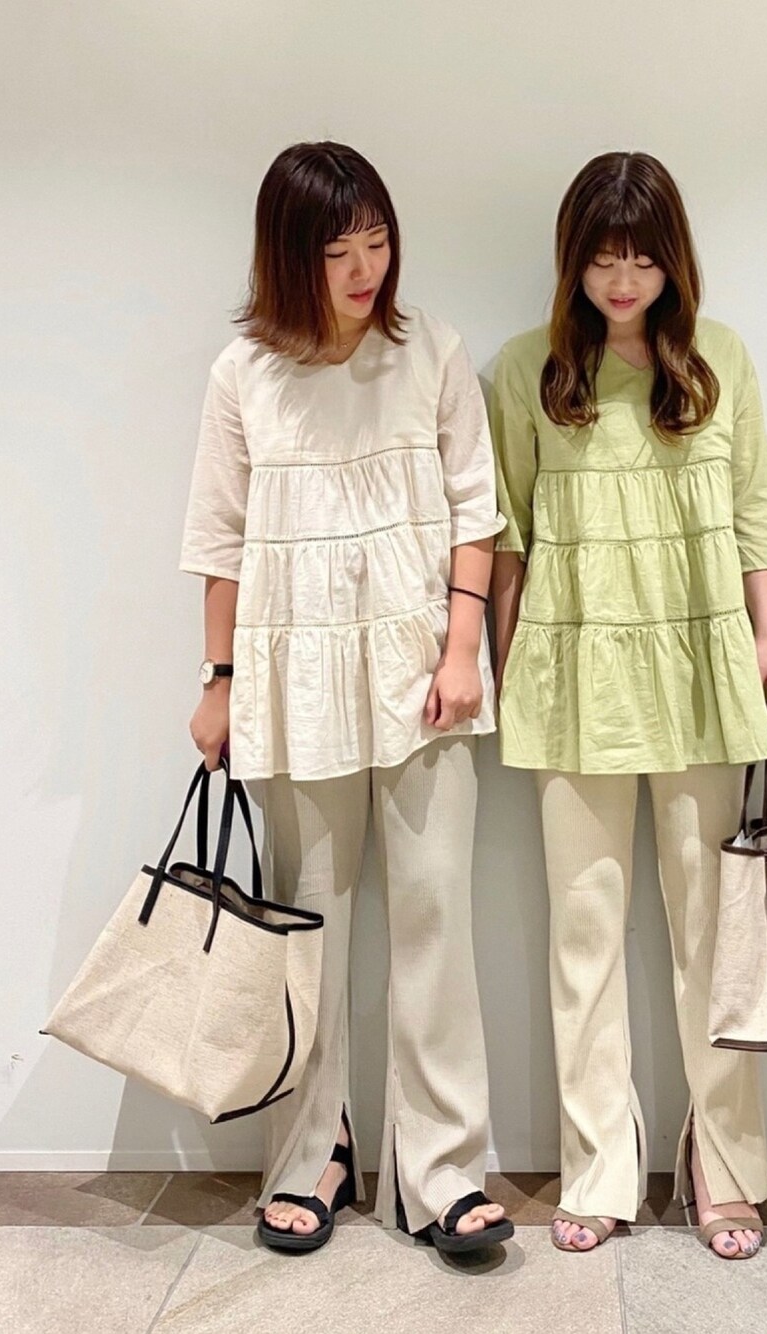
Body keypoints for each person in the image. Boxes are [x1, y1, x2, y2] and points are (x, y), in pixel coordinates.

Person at [180, 141, 513, 1256]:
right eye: (337, 251)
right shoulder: (244, 376)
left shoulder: (431, 354)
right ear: (289, 255)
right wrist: (219, 682)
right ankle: (313, 1152)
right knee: (307, 933)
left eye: (376, 241)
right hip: (296, 683)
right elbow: (219, 542)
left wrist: (461, 653)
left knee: (435, 921)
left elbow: (476, 512)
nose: (365, 268)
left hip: (426, 680)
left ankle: (441, 1169)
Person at [490, 151, 767, 1259]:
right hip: (572, 675)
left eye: (642, 259)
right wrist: (505, 666)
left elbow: (753, 509)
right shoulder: (527, 370)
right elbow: (509, 536)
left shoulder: (721, 360)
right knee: (582, 934)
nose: (622, 281)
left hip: (698, 668)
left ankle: (723, 1162)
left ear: (674, 261)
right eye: (602, 259)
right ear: (572, 261)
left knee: (712, 933)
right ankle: (597, 1166)